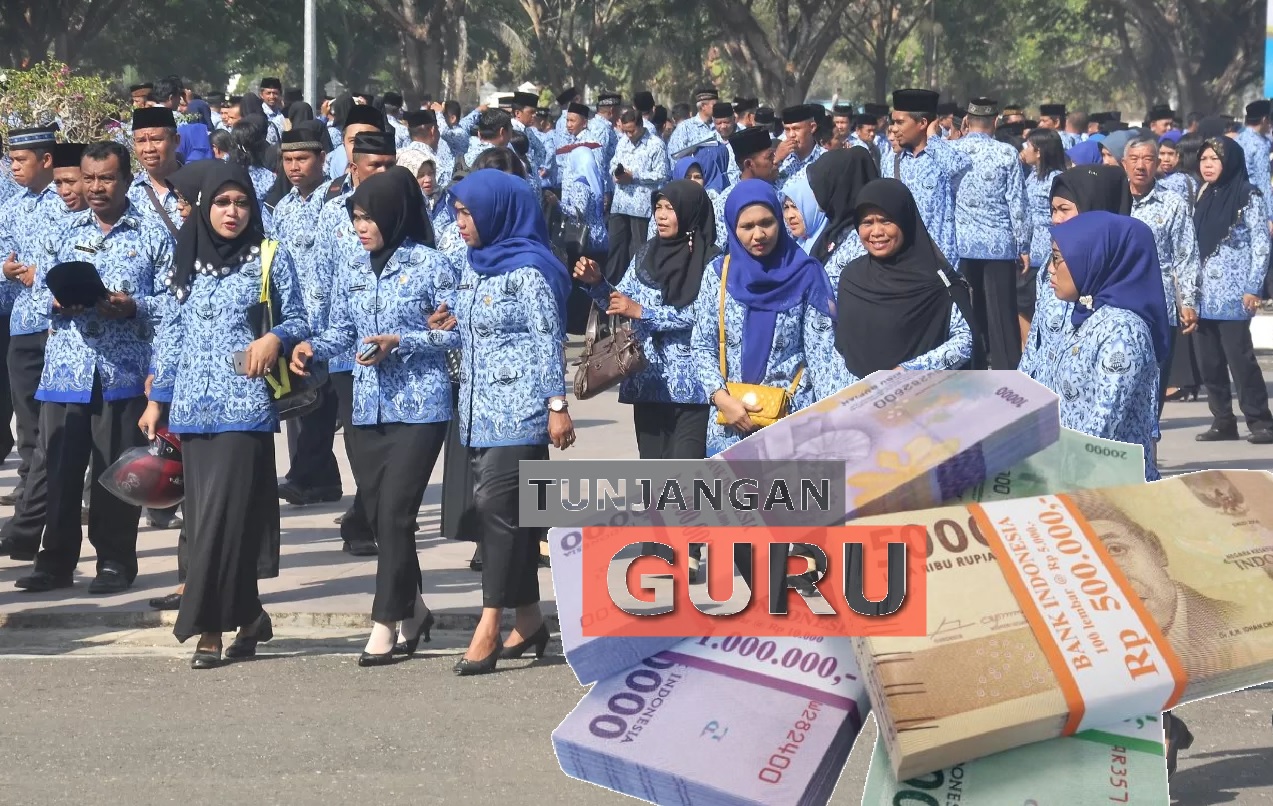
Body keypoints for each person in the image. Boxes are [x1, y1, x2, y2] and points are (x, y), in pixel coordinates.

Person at [142, 161, 308, 668]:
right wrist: (158, 400)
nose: (232, 212)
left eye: (241, 203)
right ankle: (251, 616)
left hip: (245, 407)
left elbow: (300, 317)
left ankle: (209, 628)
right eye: (221, 203)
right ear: (205, 207)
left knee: (224, 519)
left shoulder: (269, 256)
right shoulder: (185, 257)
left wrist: (275, 337)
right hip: (192, 410)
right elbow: (171, 334)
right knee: (205, 520)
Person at [292, 167, 454, 666]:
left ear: (393, 214)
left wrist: (402, 341)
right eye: (356, 218)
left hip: (421, 407)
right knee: (384, 520)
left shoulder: (433, 265)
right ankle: (415, 610)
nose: (360, 228)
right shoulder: (353, 266)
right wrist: (310, 349)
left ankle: (384, 623)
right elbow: (342, 330)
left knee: (397, 513)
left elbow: (456, 332)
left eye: (368, 218)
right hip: (365, 408)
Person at [14, 142, 171, 594]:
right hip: (66, 372)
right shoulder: (60, 231)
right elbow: (32, 296)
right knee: (60, 474)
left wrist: (133, 307)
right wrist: (56, 301)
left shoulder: (153, 234)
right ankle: (55, 562)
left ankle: (115, 562)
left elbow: (172, 306)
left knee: (116, 475)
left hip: (121, 375)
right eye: (89, 178)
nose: (96, 187)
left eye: (106, 178)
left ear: (126, 180)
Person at [446, 169, 574, 675]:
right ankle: (529, 618)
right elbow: (466, 334)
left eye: (468, 213)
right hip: (477, 414)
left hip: (520, 412)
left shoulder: (530, 271)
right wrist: (416, 335)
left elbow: (548, 339)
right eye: (457, 212)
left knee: (495, 512)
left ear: (497, 212)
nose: (460, 222)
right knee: (511, 517)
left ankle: (489, 622)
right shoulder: (474, 265)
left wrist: (557, 407)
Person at [573, 179, 716, 578]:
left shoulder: (712, 263)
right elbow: (619, 302)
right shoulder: (645, 255)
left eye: (670, 209)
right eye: (658, 208)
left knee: (686, 468)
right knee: (655, 469)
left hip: (693, 386)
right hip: (647, 381)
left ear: (689, 213)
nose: (661, 216)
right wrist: (598, 284)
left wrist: (645, 312)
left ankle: (690, 549)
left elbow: (703, 318)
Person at [690, 180, 845, 458]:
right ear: (733, 228)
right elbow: (702, 345)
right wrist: (721, 399)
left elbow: (823, 357)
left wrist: (833, 423)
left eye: (767, 223)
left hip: (791, 423)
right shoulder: (718, 275)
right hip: (729, 426)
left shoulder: (806, 275)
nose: (759, 234)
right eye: (747, 227)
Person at [1029, 211, 1167, 481]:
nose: (1050, 269)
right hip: (1071, 478)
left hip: (1109, 488)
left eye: (1057, 259)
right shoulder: (1085, 316)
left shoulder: (1123, 332)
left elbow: (1102, 426)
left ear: (1092, 259)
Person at [834, 178, 974, 383]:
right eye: (867, 222)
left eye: (886, 221)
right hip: (861, 395)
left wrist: (908, 371)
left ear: (905, 221)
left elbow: (965, 340)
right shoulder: (851, 278)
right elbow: (842, 346)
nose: (876, 232)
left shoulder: (938, 281)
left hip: (922, 392)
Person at [1192, 137, 1273, 444]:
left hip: (1235, 294)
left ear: (1230, 162)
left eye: (1214, 159)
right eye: (1203, 159)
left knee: (1240, 361)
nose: (1207, 165)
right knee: (1209, 362)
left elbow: (1261, 245)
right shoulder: (1204, 193)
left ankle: (1260, 421)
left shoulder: (1248, 195)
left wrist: (1253, 287)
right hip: (1203, 295)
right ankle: (1223, 421)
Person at [1019, 165, 1132, 381]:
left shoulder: (1121, 274)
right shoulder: (1050, 265)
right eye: (1053, 210)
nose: (1056, 219)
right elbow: (1036, 341)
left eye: (1064, 209)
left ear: (1094, 210)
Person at [951, 99, 1029, 370]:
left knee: (967, 314)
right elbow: (1017, 203)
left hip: (961, 245)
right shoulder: (1007, 153)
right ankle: (1008, 374)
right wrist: (1023, 245)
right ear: (995, 121)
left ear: (967, 121)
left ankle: (970, 369)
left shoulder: (953, 151)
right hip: (999, 246)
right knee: (1002, 317)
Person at [805, 148, 879, 286]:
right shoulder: (835, 228)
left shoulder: (867, 240)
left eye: (819, 187)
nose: (813, 194)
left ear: (837, 187)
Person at [781, 175, 827, 255]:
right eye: (786, 207)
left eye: (795, 207)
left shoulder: (834, 243)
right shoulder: (793, 249)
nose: (789, 216)